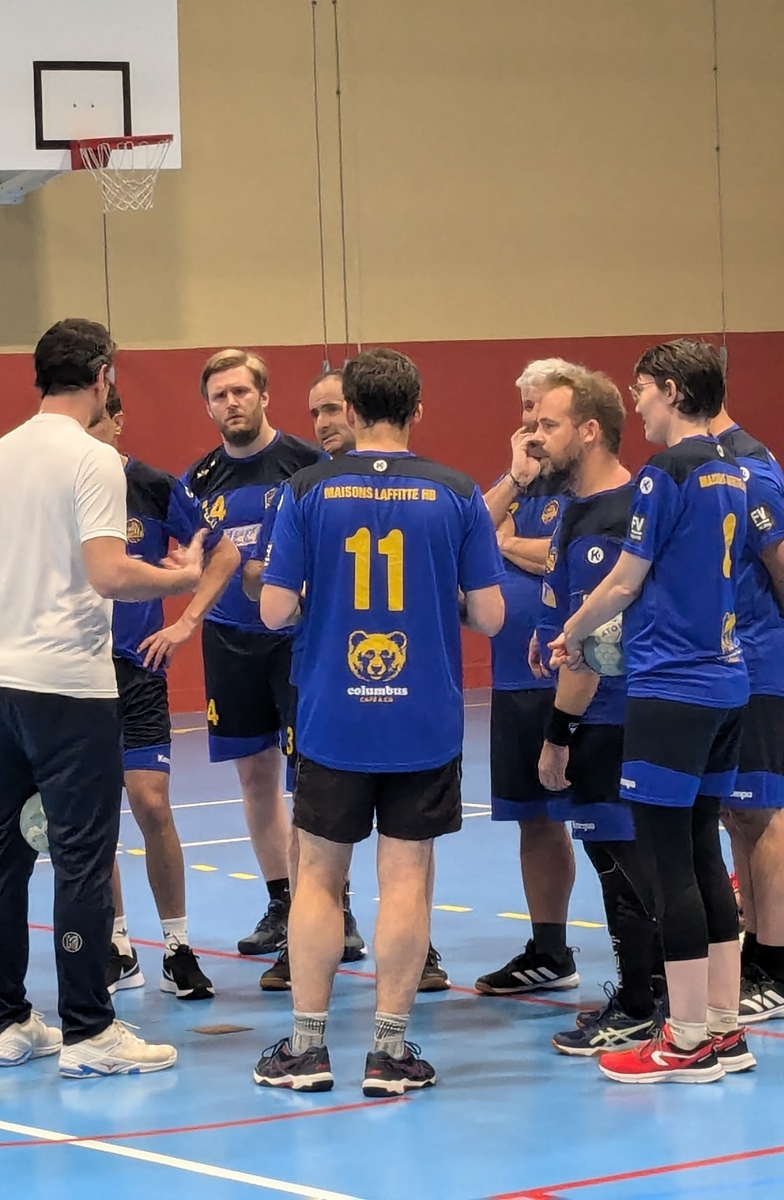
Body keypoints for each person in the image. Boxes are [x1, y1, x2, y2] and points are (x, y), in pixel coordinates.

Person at [252, 348, 504, 1095]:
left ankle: (306, 1048)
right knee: (406, 879)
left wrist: (321, 604)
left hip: (334, 716)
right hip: (422, 718)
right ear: (417, 409)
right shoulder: (457, 491)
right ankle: (389, 1053)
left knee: (319, 878)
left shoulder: (306, 490)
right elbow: (490, 615)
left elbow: (274, 610)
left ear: (352, 411)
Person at [0, 318, 203, 1075]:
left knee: (2, 850)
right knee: (80, 854)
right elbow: (109, 573)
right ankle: (90, 1031)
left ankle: (9, 1022)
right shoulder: (94, 458)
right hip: (67, 681)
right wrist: (182, 577)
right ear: (103, 378)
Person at [553, 339, 751, 1084]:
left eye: (641, 390)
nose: (635, 404)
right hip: (726, 680)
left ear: (671, 390)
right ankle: (725, 1029)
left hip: (672, 687)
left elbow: (624, 581)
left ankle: (686, 1039)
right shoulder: (731, 468)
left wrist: (572, 633)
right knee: (704, 852)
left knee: (673, 864)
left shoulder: (664, 473)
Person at [523, 365, 663, 1057]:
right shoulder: (577, 508)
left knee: (624, 861)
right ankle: (646, 995)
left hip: (615, 716)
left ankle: (644, 1003)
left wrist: (558, 736)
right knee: (615, 857)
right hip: (604, 712)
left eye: (547, 424)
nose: (533, 436)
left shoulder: (615, 514)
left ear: (589, 431)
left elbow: (594, 649)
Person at [86, 383, 239, 1000]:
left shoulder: (152, 485)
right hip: (75, 672)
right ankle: (116, 945)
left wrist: (185, 621)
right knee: (95, 813)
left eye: (96, 422)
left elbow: (223, 554)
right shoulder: (59, 487)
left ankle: (177, 948)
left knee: (151, 805)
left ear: (117, 421)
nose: (86, 433)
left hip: (137, 670)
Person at [185, 351, 325, 960]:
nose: (231, 403)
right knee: (255, 776)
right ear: (208, 406)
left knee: (311, 779)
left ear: (264, 396)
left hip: (296, 640)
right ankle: (282, 902)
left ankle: (331, 904)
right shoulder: (197, 480)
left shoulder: (306, 465)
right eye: (219, 395)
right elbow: (189, 559)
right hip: (229, 641)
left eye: (241, 391)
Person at [708, 396, 784, 1023]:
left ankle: (777, 973)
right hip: (723, 656)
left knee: (762, 810)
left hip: (753, 657)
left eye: (643, 389)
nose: (638, 403)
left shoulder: (748, 467)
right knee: (737, 815)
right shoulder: (707, 465)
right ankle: (755, 956)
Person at [476, 358, 582, 997]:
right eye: (526, 414)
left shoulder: (592, 487)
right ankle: (550, 952)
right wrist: (513, 482)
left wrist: (509, 545)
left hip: (582, 679)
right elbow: (468, 538)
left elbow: (569, 557)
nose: (533, 428)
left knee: (608, 822)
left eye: (544, 415)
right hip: (516, 679)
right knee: (535, 819)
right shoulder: (514, 484)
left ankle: (649, 954)